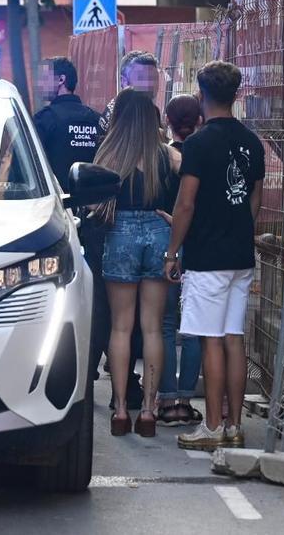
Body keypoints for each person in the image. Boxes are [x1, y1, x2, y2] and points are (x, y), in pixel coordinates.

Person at [165, 61, 265, 451]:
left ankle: (211, 427)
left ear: (201, 95)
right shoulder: (251, 141)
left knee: (209, 340)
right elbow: (254, 197)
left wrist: (172, 251)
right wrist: (238, 225)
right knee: (233, 338)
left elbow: (185, 203)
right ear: (235, 94)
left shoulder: (198, 144)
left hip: (207, 255)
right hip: (240, 252)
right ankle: (235, 425)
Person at [95, 88, 181, 438]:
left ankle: (119, 409)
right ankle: (148, 411)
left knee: (120, 327)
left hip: (122, 234)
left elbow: (92, 204)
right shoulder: (170, 156)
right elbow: (195, 188)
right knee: (152, 327)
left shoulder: (108, 156)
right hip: (160, 231)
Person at [155, 94, 204, 427]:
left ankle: (166, 400)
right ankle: (187, 399)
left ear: (167, 122)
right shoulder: (203, 154)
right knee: (195, 328)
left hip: (168, 244)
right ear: (198, 120)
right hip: (201, 246)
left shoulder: (161, 158)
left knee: (166, 325)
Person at [32, 56, 102, 188]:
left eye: (44, 78)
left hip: (58, 204)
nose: (40, 84)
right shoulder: (97, 119)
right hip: (92, 203)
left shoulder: (44, 119)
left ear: (61, 80)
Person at [99, 51, 161, 133]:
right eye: (141, 78)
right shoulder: (121, 114)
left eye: (153, 78)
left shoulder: (149, 110)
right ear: (124, 81)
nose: (149, 84)